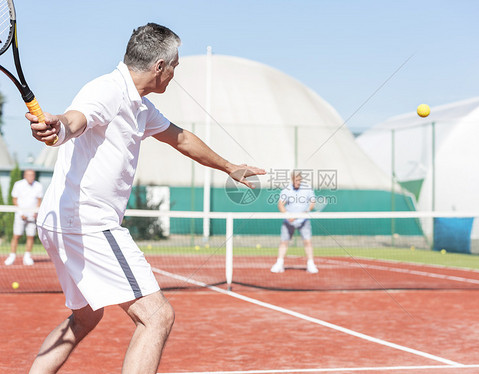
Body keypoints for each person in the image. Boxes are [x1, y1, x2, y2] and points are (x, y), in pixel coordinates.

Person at [27, 23, 265, 374]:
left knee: (85, 317)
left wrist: (229, 167)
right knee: (157, 316)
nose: (174, 74)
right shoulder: (108, 90)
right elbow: (75, 120)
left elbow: (181, 138)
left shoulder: (140, 106)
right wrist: (57, 126)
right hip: (88, 223)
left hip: (59, 221)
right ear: (159, 67)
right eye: (174, 67)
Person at [270, 171, 318, 274]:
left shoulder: (307, 189)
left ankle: (311, 264)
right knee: (284, 242)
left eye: (299, 180)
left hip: (304, 221)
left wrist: (306, 211)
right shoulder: (286, 190)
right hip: (288, 222)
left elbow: (312, 202)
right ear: (292, 179)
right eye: (296, 180)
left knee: (307, 241)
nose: (298, 182)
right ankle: (279, 264)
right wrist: (288, 215)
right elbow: (280, 205)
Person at [4, 169, 43, 266]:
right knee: (16, 236)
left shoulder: (38, 186)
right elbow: (14, 199)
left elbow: (39, 200)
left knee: (30, 236)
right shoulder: (18, 185)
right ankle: (12, 256)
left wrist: (36, 212)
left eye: (33, 175)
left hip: (32, 215)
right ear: (24, 176)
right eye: (29, 175)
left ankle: (27, 257)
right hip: (20, 215)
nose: (31, 177)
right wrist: (21, 213)